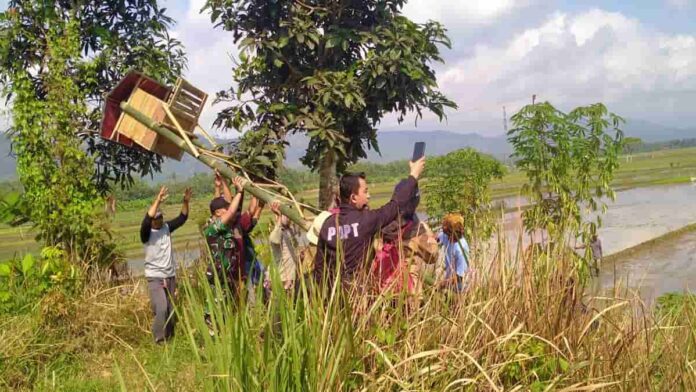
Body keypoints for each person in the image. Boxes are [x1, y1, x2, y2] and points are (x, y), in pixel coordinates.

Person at [313, 157, 426, 289]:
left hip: (332, 293)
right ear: (353, 198)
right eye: (365, 191)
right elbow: (396, 205)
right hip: (356, 295)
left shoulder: (328, 224)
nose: (368, 196)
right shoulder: (366, 221)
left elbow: (319, 267)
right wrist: (413, 175)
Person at [140, 186, 192, 344]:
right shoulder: (146, 232)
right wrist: (158, 199)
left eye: (161, 217)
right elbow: (147, 219)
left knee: (170, 308)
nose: (160, 220)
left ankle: (170, 338)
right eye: (157, 218)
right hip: (155, 276)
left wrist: (185, 201)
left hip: (169, 275)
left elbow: (182, 218)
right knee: (161, 307)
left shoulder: (167, 228)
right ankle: (159, 339)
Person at [203, 175, 250, 298]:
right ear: (218, 213)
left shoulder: (223, 224)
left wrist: (222, 182)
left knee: (231, 306)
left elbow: (226, 206)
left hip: (227, 274)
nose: (229, 209)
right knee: (219, 307)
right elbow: (230, 211)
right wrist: (240, 191)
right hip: (218, 275)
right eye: (225, 208)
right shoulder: (212, 227)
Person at [267, 200, 302, 291]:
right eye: (284, 214)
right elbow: (274, 240)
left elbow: (299, 229)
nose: (287, 217)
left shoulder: (290, 230)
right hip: (281, 278)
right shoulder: (277, 231)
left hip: (291, 276)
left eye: (289, 215)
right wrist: (278, 217)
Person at [437, 213, 470, 293]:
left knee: (455, 300)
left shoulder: (461, 249)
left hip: (460, 285)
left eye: (448, 233)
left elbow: (459, 277)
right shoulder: (446, 236)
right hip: (449, 279)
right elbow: (437, 238)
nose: (446, 236)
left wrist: (442, 284)